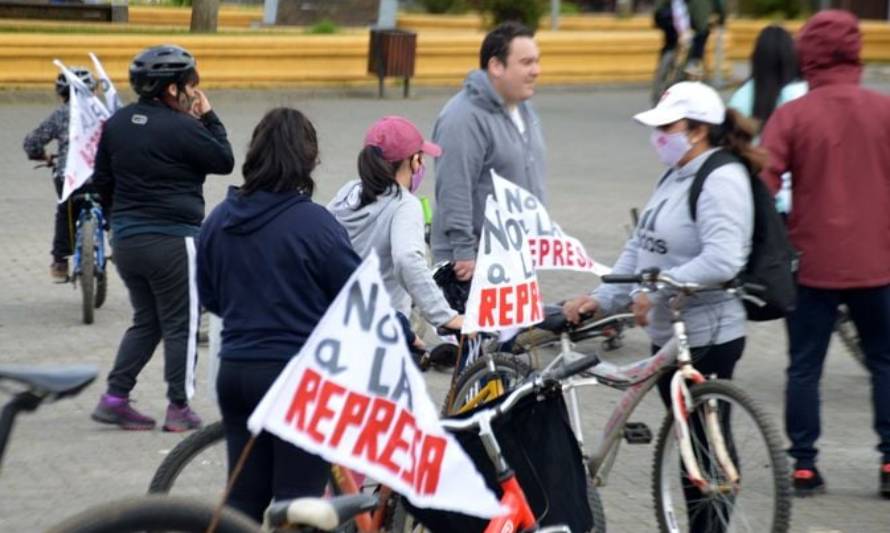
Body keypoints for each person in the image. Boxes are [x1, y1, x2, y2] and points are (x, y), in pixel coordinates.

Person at [564, 81, 756, 532]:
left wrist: (662, 291)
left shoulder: (721, 178)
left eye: (666, 127)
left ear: (697, 131)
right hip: (668, 334)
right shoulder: (675, 174)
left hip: (708, 335)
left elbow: (725, 257)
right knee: (691, 446)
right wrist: (603, 295)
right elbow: (640, 245)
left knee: (706, 450)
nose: (658, 137)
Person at [196, 108, 360, 521]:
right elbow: (358, 300)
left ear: (255, 154)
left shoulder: (218, 220)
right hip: (296, 381)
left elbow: (209, 298)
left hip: (235, 374)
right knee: (298, 505)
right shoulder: (316, 225)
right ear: (308, 159)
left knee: (243, 501)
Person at [759, 10, 890, 499]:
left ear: (807, 54)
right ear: (857, 49)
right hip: (880, 263)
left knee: (804, 367)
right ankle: (889, 462)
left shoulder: (792, 116)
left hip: (811, 264)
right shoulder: (884, 109)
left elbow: (764, 185)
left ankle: (805, 466)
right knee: (884, 362)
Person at [90, 44, 234, 432]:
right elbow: (224, 160)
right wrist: (209, 116)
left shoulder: (117, 122)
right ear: (173, 89)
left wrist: (121, 218)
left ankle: (115, 397)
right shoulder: (185, 127)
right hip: (173, 241)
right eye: (191, 83)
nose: (193, 90)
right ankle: (179, 407)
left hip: (128, 239)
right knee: (181, 323)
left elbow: (101, 180)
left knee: (147, 320)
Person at [430, 21, 545, 281]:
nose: (536, 71)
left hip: (515, 255)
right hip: (473, 263)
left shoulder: (525, 110)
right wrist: (463, 251)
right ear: (496, 66)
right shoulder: (463, 118)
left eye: (537, 61)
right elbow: (454, 187)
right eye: (526, 63)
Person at [328, 116, 463, 337]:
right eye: (420, 158)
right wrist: (445, 316)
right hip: (381, 328)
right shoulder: (404, 204)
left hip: (338, 319)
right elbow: (407, 259)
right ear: (412, 161)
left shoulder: (349, 191)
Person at [23, 68, 98, 281]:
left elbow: (32, 143)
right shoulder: (102, 112)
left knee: (65, 210)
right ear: (91, 91)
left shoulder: (60, 114)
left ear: (62, 93)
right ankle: (118, 241)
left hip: (70, 175)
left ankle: (60, 261)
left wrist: (42, 156)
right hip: (101, 174)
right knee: (113, 203)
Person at [728, 24, 807, 216]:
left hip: (758, 199)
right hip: (803, 203)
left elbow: (732, 150)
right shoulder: (806, 94)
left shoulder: (742, 98)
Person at [653, 0, 725, 79]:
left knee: (671, 43)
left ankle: (666, 72)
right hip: (694, 17)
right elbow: (719, 5)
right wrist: (721, 17)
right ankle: (693, 64)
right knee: (699, 38)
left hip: (671, 16)